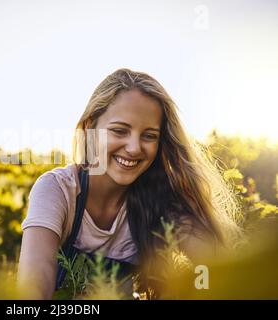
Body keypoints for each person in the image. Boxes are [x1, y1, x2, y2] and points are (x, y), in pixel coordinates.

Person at [17, 68, 242, 299]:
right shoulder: (57, 190)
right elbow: (34, 285)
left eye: (149, 135)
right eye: (119, 131)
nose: (134, 148)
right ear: (89, 128)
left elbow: (215, 272)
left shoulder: (162, 201)